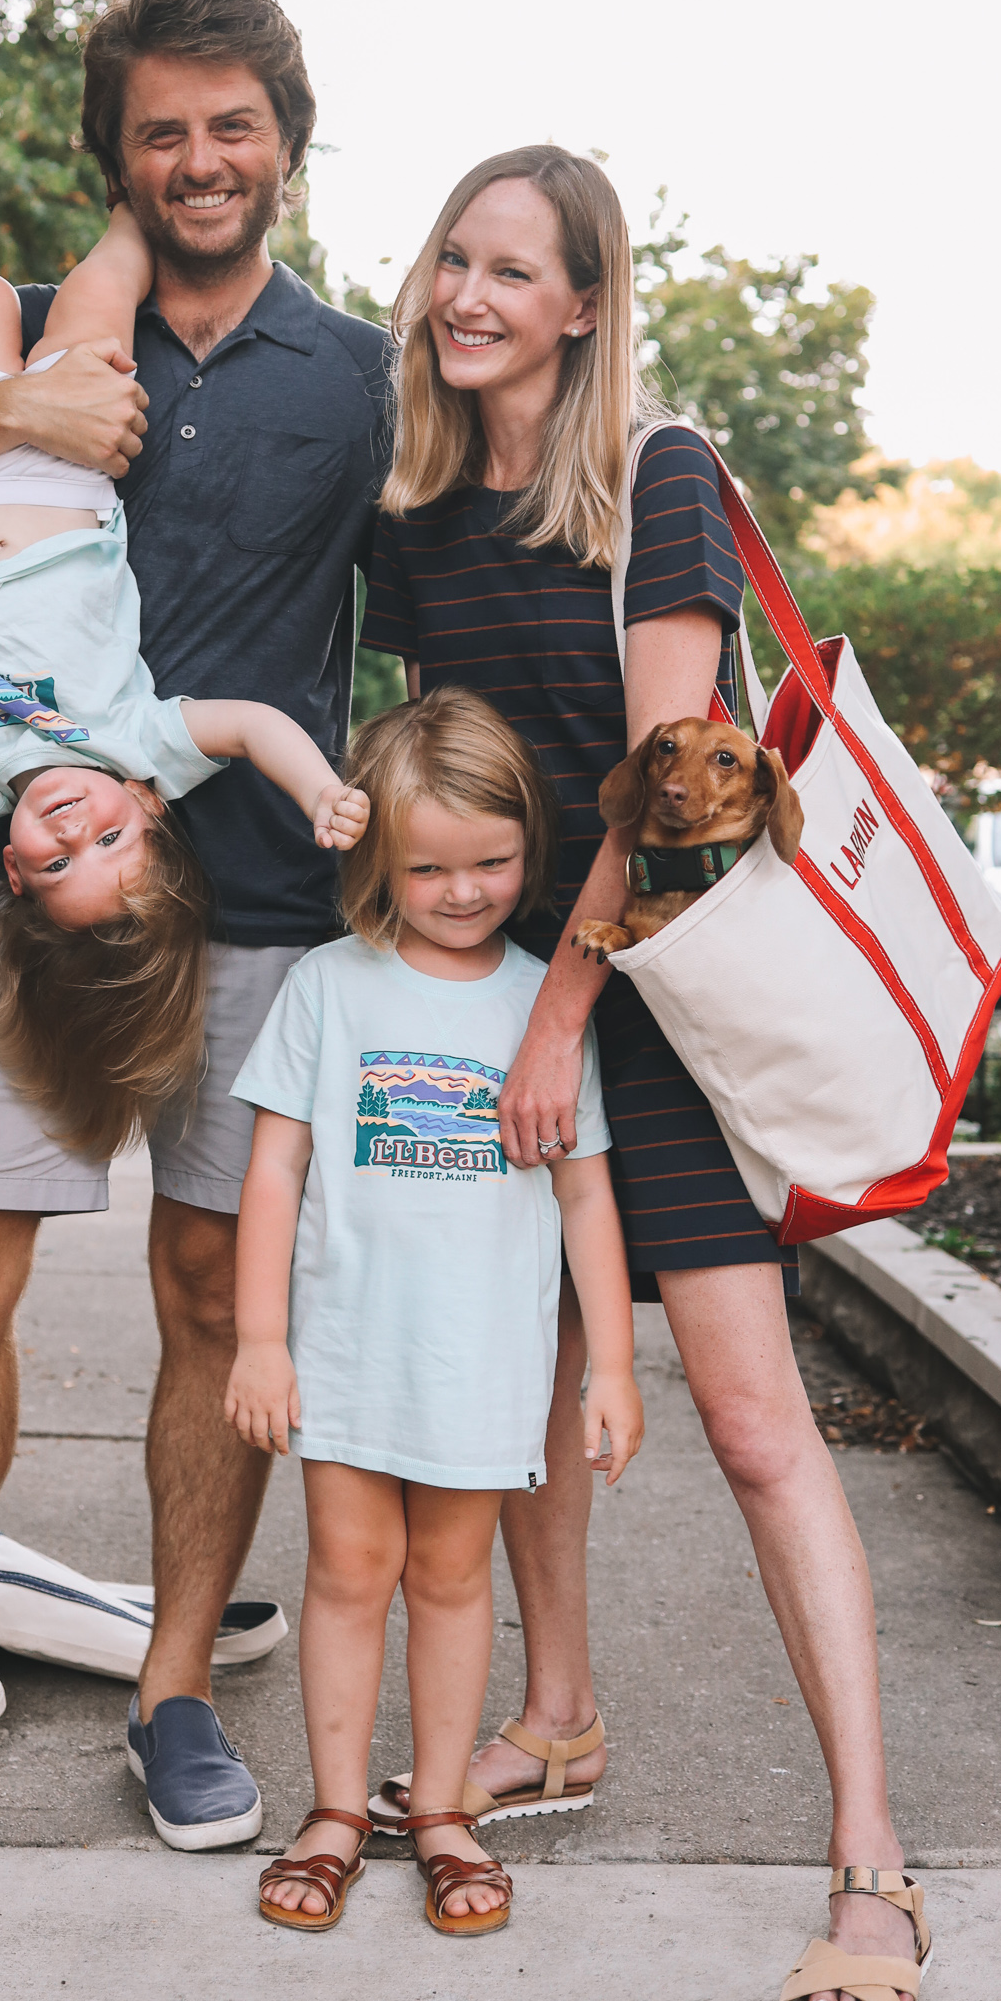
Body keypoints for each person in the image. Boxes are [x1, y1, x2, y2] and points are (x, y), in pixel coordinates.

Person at [0, 0, 392, 1847]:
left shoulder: (358, 374)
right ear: (116, 156)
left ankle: (179, 1683)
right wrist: (0, 416)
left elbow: (488, 540)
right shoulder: (28, 336)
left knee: (217, 1290)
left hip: (266, 897)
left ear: (284, 136)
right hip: (12, 878)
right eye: (161, 131)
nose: (199, 159)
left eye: (231, 124)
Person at [359, 147, 927, 2001]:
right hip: (500, 1009)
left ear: (585, 305)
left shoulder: (653, 481)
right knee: (516, 1400)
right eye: (455, 256)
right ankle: (558, 1716)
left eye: (514, 269)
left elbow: (676, 788)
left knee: (759, 1426)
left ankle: (869, 1859)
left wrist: (552, 1021)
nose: (470, 295)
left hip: (647, 1016)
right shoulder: (422, 512)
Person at [227, 686, 642, 1937]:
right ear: (377, 859)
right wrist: (259, 1340)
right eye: (429, 868)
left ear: (531, 848)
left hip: (483, 1366)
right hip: (349, 1355)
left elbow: (585, 1200)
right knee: (350, 1575)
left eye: (492, 863)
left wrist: (611, 1366)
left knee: (456, 1581)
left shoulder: (545, 1010)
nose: (463, 891)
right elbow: (273, 1172)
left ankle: (446, 1808)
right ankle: (341, 1811)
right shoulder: (327, 989)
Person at [0, 218, 369, 1155]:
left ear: (11, 869)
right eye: (109, 839)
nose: (70, 828)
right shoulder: (132, 744)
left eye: (55, 862)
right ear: (147, 806)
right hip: (67, 472)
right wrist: (320, 789)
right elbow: (251, 725)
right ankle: (129, 212)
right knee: (112, 274)